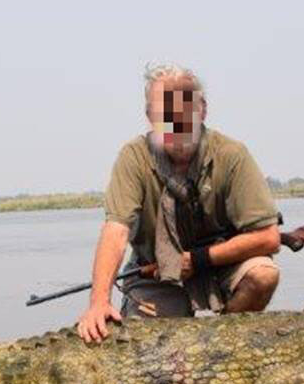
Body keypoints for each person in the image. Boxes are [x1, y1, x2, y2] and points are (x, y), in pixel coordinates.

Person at [77, 63, 281, 343]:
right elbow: (116, 230)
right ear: (150, 117)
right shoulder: (133, 157)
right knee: (149, 348)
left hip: (221, 263)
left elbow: (269, 238)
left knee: (263, 275)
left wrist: (195, 260)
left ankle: (225, 346)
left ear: (202, 110)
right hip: (156, 272)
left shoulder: (232, 154)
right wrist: (99, 302)